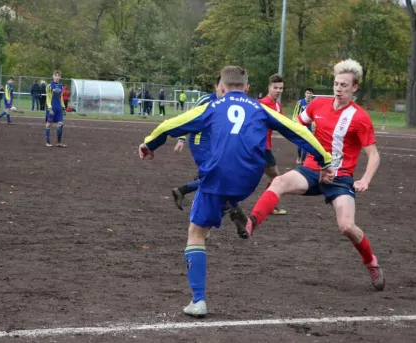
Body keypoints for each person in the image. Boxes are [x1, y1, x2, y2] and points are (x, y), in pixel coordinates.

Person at [138, 66, 333, 318]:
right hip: (249, 179)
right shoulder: (260, 108)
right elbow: (299, 131)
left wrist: (148, 145)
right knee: (226, 191)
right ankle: (230, 207)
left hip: (217, 176)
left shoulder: (212, 107)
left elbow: (169, 125)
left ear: (220, 88)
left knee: (196, 233)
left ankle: (198, 300)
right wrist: (325, 160)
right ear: (247, 88)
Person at [230, 59, 385, 292]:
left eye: (344, 85)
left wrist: (364, 179)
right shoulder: (317, 105)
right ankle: (251, 223)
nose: (338, 89)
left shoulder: (360, 118)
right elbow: (295, 126)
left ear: (354, 88)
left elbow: (374, 155)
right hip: (312, 169)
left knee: (346, 227)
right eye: (336, 84)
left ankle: (371, 262)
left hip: (340, 178)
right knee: (279, 181)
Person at [171, 77, 220, 210]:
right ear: (216, 86)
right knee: (214, 174)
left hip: (213, 143)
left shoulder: (227, 102)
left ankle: (182, 191)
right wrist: (181, 139)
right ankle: (199, 206)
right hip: (200, 141)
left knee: (216, 174)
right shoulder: (207, 100)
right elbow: (188, 117)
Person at [258, 74, 287, 215]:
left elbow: (283, 123)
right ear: (269, 87)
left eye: (281, 88)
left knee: (274, 177)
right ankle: (268, 206)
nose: (278, 90)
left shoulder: (277, 105)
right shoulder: (261, 104)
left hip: (265, 147)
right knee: (275, 177)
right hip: (259, 147)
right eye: (275, 87)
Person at [45, 70, 66, 147]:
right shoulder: (49, 86)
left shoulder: (61, 86)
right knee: (49, 124)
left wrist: (63, 108)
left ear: (60, 77)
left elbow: (61, 98)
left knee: (60, 124)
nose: (57, 77)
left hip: (59, 107)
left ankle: (59, 142)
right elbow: (48, 98)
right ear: (53, 76)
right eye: (55, 75)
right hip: (52, 106)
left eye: (58, 76)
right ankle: (47, 142)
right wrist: (50, 108)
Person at [294, 88, 314, 164]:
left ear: (312, 94)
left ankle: (303, 160)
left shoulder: (313, 103)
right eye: (307, 93)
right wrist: (295, 123)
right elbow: (295, 113)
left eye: (310, 93)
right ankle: (299, 157)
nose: (309, 95)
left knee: (306, 144)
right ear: (305, 94)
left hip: (309, 127)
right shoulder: (300, 102)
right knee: (300, 144)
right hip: (301, 126)